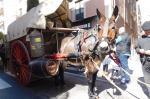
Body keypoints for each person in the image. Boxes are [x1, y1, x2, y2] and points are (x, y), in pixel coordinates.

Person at [135, 21, 150, 97]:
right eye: (145, 30)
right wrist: (139, 50)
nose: (146, 32)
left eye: (148, 30)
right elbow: (136, 47)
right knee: (147, 81)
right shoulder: (141, 39)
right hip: (145, 63)